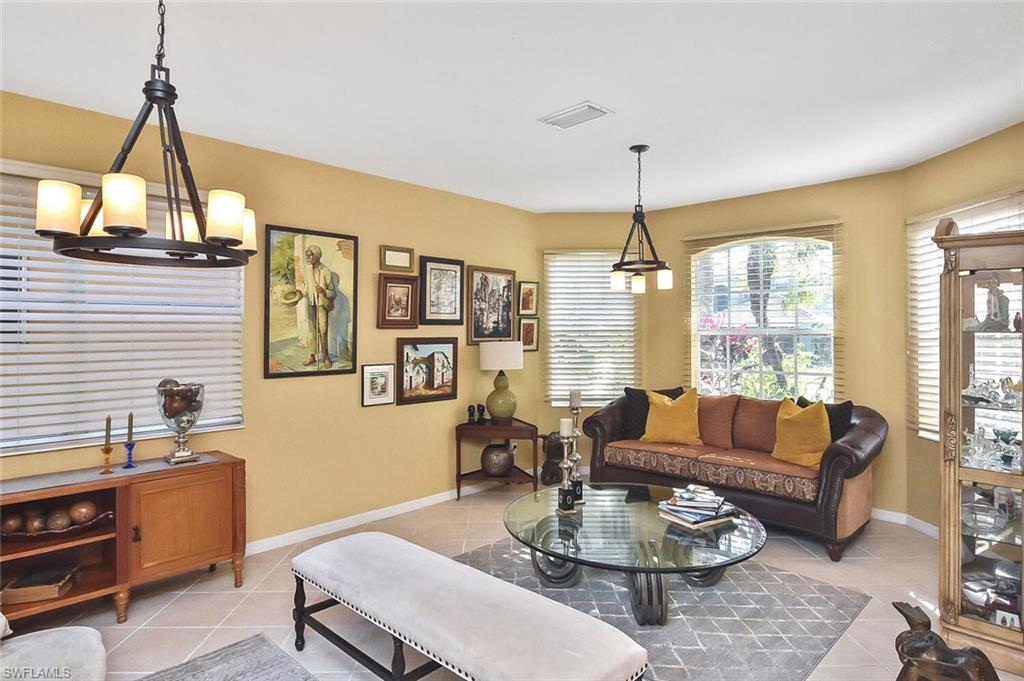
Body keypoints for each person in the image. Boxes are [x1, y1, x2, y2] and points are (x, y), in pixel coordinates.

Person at [296, 244, 336, 368]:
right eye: (306, 256)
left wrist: (324, 291)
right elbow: (306, 290)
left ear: (317, 256)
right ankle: (312, 356)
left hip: (321, 305)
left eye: (309, 256)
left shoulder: (325, 271)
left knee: (323, 331)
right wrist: (300, 293)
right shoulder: (308, 271)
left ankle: (326, 357)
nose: (307, 258)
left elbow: (333, 293)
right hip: (311, 304)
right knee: (312, 332)